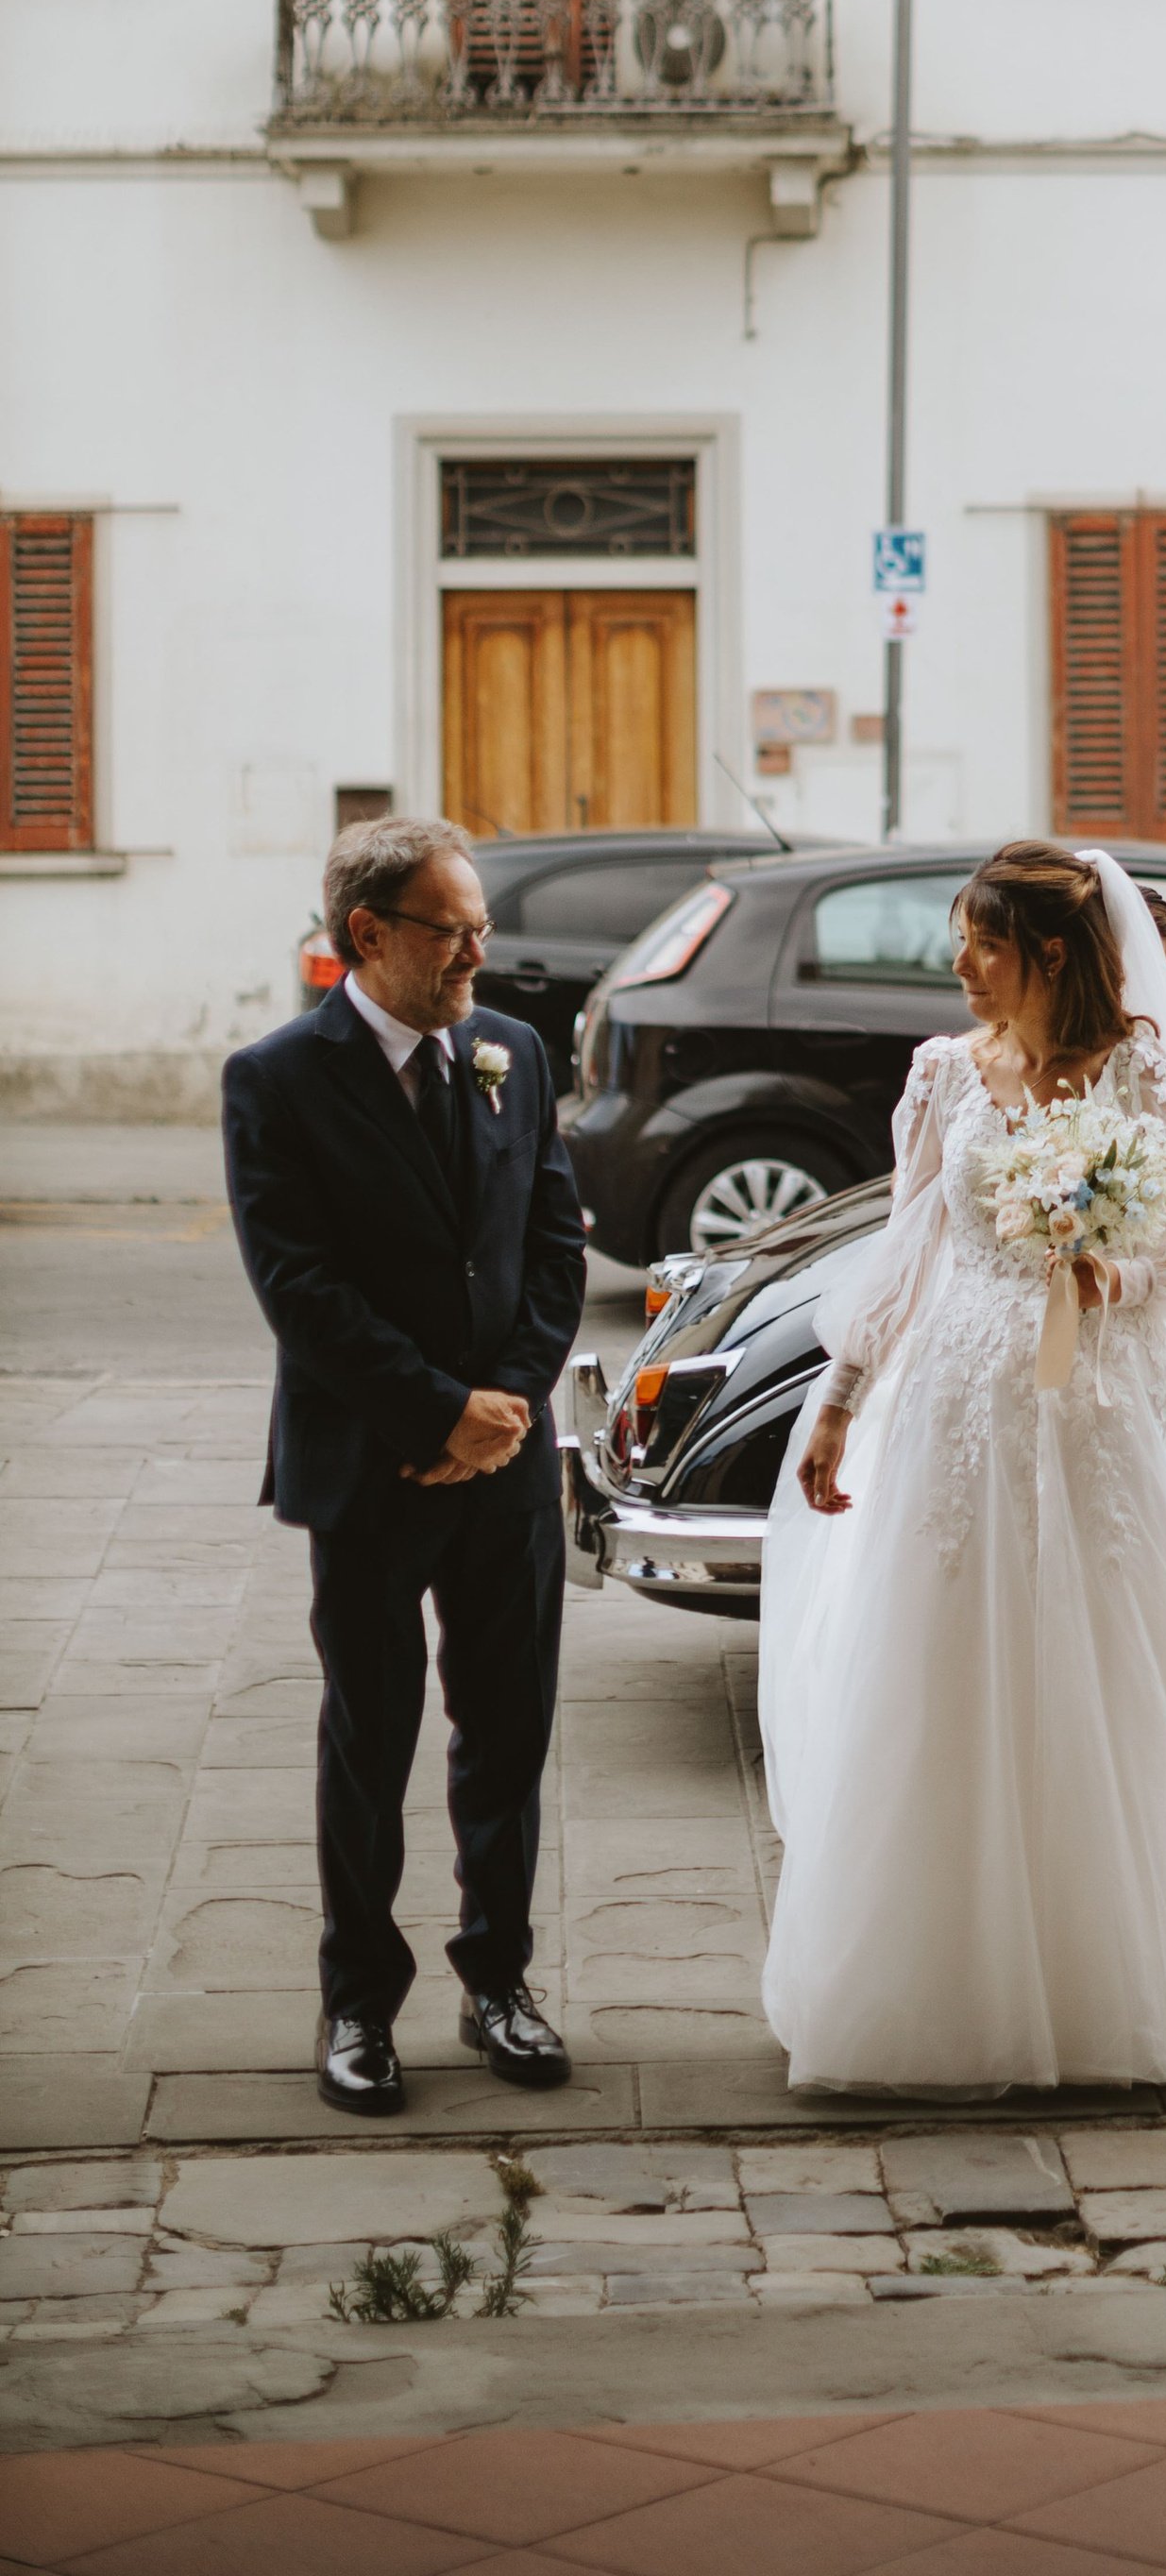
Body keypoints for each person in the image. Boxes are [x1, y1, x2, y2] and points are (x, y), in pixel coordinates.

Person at [758, 839, 1166, 2091]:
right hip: (957, 1411)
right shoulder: (944, 1075)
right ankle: (947, 1986)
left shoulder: (1144, 1069)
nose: (961, 965)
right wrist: (838, 1401)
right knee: (946, 1673)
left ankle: (1140, 1983)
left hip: (1105, 1409)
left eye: (983, 943)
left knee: (1126, 1672)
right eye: (961, 940)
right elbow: (908, 1251)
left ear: (1048, 954)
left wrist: (1116, 1271)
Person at [221, 816, 586, 2117]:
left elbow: (554, 1246)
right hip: (371, 1464)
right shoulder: (275, 1079)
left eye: (481, 927)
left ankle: (500, 1983)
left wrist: (507, 1405)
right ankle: (358, 2004)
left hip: (507, 1462)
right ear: (369, 934)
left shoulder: (512, 1052)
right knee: (368, 1740)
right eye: (454, 931)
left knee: (510, 1731)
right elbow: (301, 1288)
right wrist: (436, 1416)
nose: (480, 953)